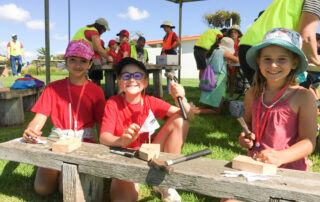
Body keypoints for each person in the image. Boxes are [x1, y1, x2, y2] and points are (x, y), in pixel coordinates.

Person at [99, 57, 193, 202]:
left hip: (151, 153)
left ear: (145, 82)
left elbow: (187, 116)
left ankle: (165, 178)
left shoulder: (151, 101)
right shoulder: (112, 103)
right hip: (126, 156)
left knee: (180, 121)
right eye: (126, 75)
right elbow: (103, 137)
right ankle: (135, 180)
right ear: (119, 81)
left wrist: (180, 98)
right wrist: (121, 140)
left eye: (137, 75)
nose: (132, 79)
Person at [22, 39, 106, 196]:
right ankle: (58, 170)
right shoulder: (53, 88)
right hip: (57, 138)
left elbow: (101, 124)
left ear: (90, 64)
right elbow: (40, 117)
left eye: (83, 61)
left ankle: (66, 173)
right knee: (43, 189)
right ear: (66, 61)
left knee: (66, 187)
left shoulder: (96, 91)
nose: (77, 65)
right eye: (72, 59)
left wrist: (102, 152)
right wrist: (31, 130)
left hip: (84, 139)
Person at [240, 28, 316, 172]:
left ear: (294, 63)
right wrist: (245, 136)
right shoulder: (252, 94)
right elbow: (248, 124)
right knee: (227, 196)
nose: (273, 65)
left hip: (289, 170)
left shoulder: (304, 97)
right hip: (255, 165)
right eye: (267, 59)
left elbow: (308, 142)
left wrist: (280, 157)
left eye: (282, 59)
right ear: (259, 62)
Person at [194, 37, 239, 114]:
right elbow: (237, 60)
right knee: (216, 110)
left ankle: (193, 109)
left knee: (211, 106)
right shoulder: (223, 52)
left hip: (210, 78)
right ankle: (192, 111)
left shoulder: (212, 51)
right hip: (218, 80)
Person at [72, 17, 110, 85]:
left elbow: (96, 49)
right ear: (101, 28)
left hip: (73, 54)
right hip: (79, 54)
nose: (104, 32)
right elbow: (99, 49)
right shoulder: (94, 32)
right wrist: (109, 57)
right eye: (104, 30)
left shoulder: (86, 29)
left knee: (79, 79)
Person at [160, 21, 181, 93]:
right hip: (166, 55)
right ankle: (169, 90)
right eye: (164, 27)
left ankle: (172, 90)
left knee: (171, 72)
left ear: (169, 27)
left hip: (171, 54)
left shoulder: (173, 34)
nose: (164, 28)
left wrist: (172, 48)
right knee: (167, 73)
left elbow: (178, 42)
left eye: (165, 27)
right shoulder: (165, 36)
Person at [226, 25, 242, 101]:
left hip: (235, 64)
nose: (233, 34)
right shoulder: (226, 42)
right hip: (225, 63)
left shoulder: (240, 43)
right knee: (223, 81)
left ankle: (230, 98)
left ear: (238, 34)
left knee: (232, 81)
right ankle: (220, 98)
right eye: (231, 32)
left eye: (235, 32)